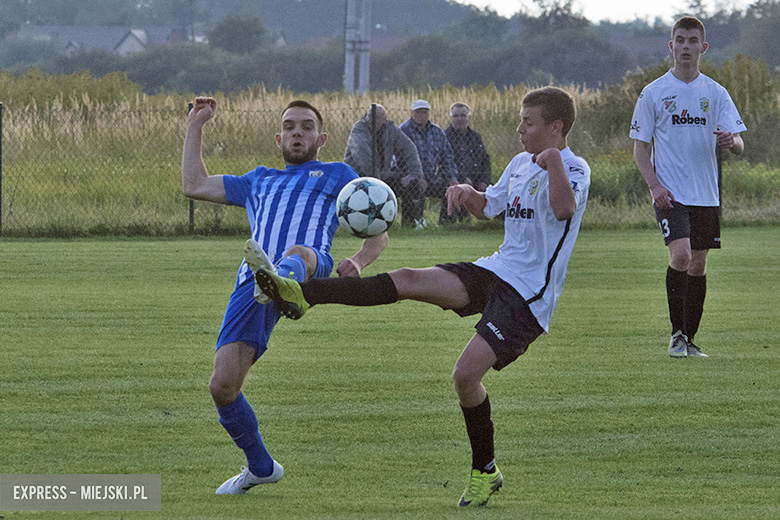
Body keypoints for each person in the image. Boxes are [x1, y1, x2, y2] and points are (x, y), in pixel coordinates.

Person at [250, 87, 590, 508]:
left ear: (555, 128)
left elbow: (563, 209)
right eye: (520, 120)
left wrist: (554, 161)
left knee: (466, 376)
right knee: (408, 278)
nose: (519, 128)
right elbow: (490, 208)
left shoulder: (574, 167)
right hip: (496, 270)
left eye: (529, 122)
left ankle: (485, 469)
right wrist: (469, 194)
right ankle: (301, 293)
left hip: (529, 296)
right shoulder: (521, 163)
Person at [181, 97, 388, 494]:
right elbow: (194, 185)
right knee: (222, 386)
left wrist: (360, 261)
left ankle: (284, 284)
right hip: (251, 284)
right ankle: (260, 466)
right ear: (279, 137)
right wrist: (196, 126)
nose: (298, 132)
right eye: (290, 126)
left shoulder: (338, 174)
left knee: (299, 253)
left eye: (306, 126)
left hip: (309, 267)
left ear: (321, 137)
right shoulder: (258, 179)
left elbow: (379, 223)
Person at [630, 16, 746, 359]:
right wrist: (655, 186)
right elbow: (640, 148)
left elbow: (738, 143)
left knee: (698, 264)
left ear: (702, 47)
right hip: (671, 193)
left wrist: (732, 140)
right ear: (671, 46)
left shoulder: (715, 92)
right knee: (680, 255)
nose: (685, 47)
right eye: (680, 40)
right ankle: (676, 336)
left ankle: (690, 340)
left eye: (692, 41)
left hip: (706, 193)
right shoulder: (654, 93)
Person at [343, 104, 426, 227]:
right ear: (366, 116)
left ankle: (409, 224)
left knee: (411, 183)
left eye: (376, 117)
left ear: (384, 120)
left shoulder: (391, 130)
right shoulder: (359, 130)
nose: (372, 120)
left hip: (382, 176)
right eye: (370, 116)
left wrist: (415, 174)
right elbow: (364, 158)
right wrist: (379, 182)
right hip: (359, 178)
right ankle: (367, 225)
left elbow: (410, 149)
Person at [400, 99, 459, 228]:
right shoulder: (403, 131)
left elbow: (447, 157)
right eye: (418, 112)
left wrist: (452, 178)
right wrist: (416, 176)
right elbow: (398, 160)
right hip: (410, 176)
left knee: (452, 190)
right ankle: (412, 223)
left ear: (429, 114)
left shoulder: (437, 132)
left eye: (424, 112)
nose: (422, 115)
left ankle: (447, 224)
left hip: (432, 177)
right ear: (412, 113)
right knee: (414, 187)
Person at [445, 102, 494, 222]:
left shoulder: (475, 137)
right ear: (451, 118)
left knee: (494, 189)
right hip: (455, 178)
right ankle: (454, 221)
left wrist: (484, 181)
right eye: (456, 116)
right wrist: (463, 178)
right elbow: (445, 162)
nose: (459, 119)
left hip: (476, 178)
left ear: (468, 118)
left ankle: (492, 221)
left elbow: (485, 161)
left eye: (463, 115)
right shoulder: (444, 136)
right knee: (456, 187)